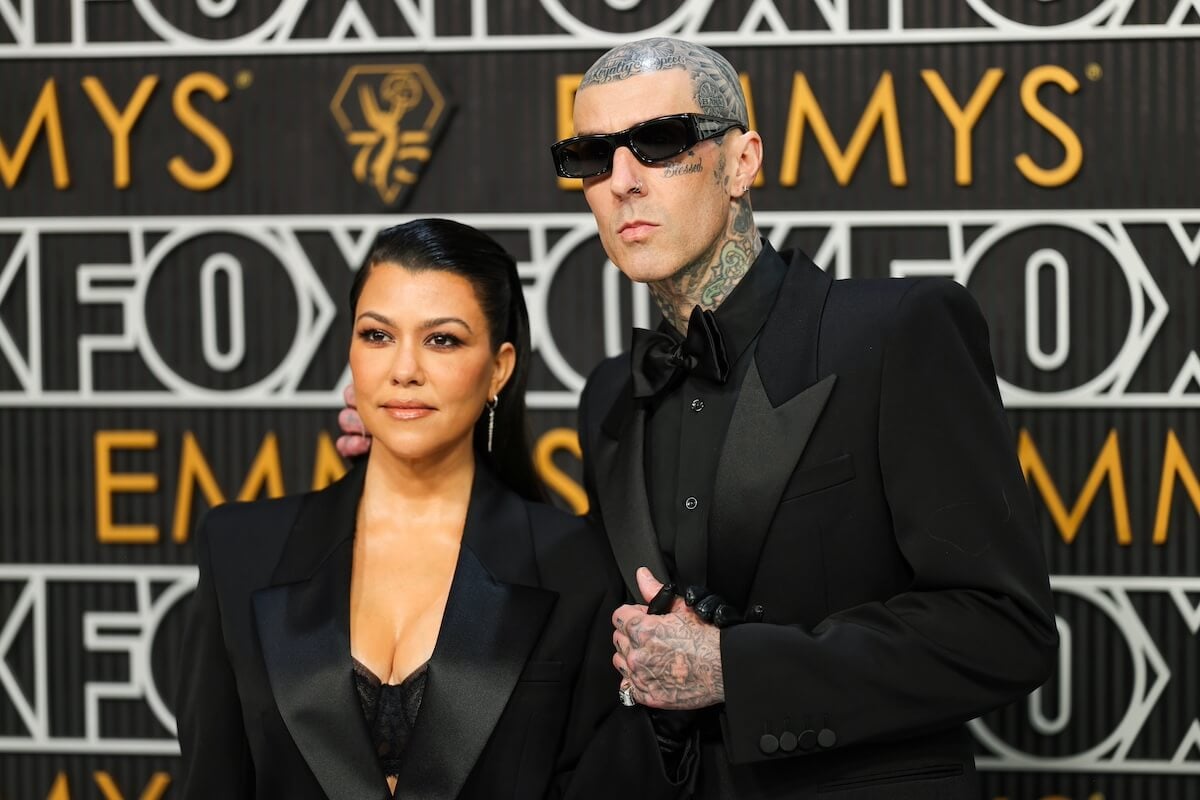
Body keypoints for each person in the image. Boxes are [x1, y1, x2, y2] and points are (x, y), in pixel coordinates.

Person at [339, 39, 1059, 799]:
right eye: (592, 156)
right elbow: (563, 609)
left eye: (659, 143)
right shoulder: (612, 396)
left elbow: (1002, 630)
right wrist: (407, 451)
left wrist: (734, 670)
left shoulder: (893, 332)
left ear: (742, 162)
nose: (621, 182)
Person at [176, 219, 627, 800]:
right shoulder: (240, 549)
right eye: (377, 336)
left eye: (442, 340)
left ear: (499, 368)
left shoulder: (578, 566)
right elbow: (209, 782)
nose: (404, 369)